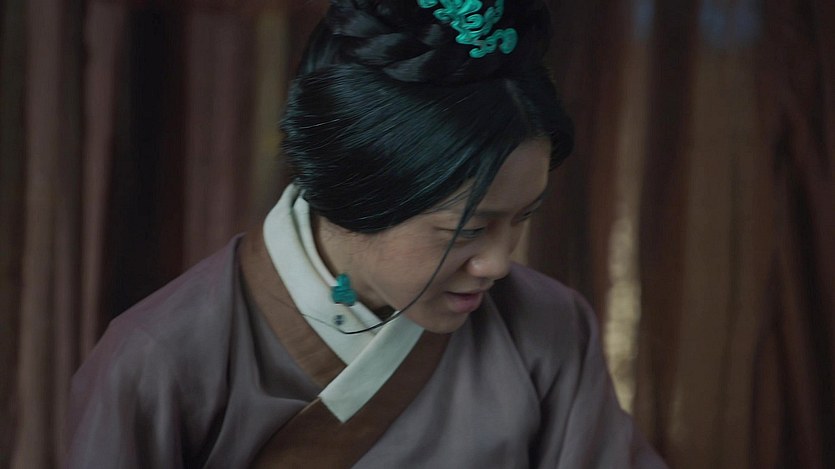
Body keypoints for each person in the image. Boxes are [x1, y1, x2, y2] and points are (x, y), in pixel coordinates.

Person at [66, 0, 667, 467]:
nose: (499, 263)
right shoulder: (158, 359)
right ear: (358, 196)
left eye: (522, 218)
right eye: (466, 230)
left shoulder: (551, 329)